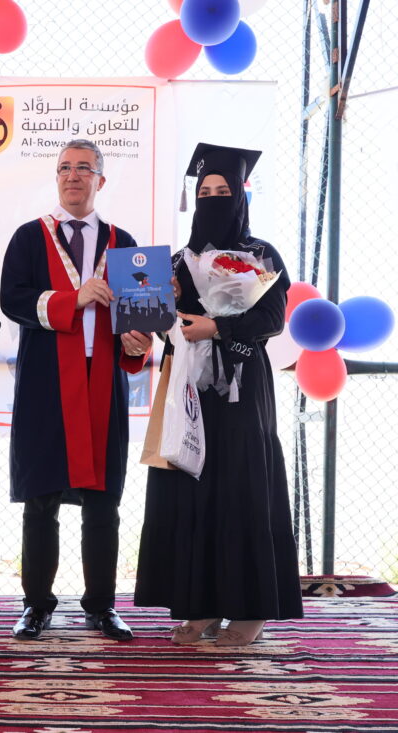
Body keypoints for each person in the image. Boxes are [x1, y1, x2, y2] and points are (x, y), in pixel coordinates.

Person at [133, 143, 303, 646]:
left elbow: (271, 319)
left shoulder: (260, 255)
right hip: (188, 385)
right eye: (204, 192)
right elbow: (161, 324)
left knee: (242, 486)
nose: (212, 199)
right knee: (192, 483)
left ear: (240, 196)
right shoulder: (177, 261)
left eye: (222, 191)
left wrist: (219, 328)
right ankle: (200, 604)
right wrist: (156, 311)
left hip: (242, 387)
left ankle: (250, 611)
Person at [0, 139, 152, 641]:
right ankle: (36, 606)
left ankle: (101, 606)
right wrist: (74, 298)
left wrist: (137, 341)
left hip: (103, 380)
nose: (73, 175)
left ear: (100, 180)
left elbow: (139, 320)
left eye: (84, 168)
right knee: (41, 500)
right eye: (65, 167)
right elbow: (12, 300)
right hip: (46, 381)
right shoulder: (29, 237)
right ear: (56, 177)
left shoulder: (125, 243)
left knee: (103, 501)